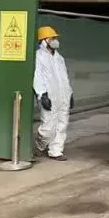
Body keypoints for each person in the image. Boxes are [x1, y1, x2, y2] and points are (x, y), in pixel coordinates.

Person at [33, 26, 74, 161]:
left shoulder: (59, 58)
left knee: (62, 124)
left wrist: (70, 93)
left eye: (55, 38)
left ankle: (56, 151)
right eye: (52, 38)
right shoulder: (38, 57)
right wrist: (42, 94)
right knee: (48, 127)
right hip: (49, 96)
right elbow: (37, 76)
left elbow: (64, 77)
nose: (55, 41)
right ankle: (40, 144)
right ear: (44, 41)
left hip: (63, 95)